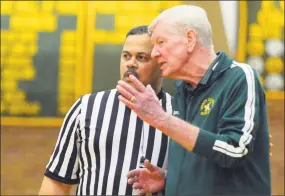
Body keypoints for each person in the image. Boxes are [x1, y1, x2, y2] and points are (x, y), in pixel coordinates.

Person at [117, 5, 272, 196]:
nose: (155, 53)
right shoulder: (183, 89)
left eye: (161, 42)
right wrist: (169, 179)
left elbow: (235, 150)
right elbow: (201, 158)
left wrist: (161, 119)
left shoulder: (240, 77)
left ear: (190, 40)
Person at [38, 25, 173, 195]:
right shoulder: (86, 108)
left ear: (161, 66)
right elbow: (57, 180)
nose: (131, 63)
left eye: (141, 57)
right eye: (126, 56)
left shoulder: (179, 114)